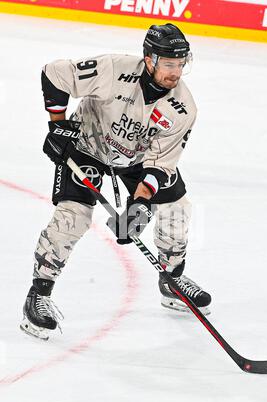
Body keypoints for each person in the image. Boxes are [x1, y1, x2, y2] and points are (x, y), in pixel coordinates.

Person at [21, 23, 212, 340]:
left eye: (181, 64)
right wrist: (58, 127)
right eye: (168, 64)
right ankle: (38, 295)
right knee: (72, 218)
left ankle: (173, 281)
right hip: (86, 148)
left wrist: (139, 207)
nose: (175, 72)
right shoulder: (114, 69)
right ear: (149, 59)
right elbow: (54, 73)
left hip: (137, 159)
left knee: (177, 208)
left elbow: (159, 163)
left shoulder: (183, 108)